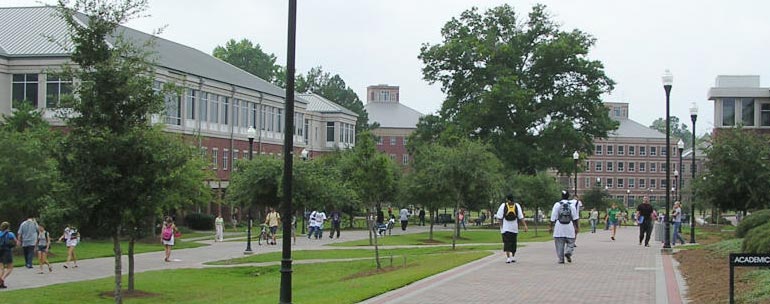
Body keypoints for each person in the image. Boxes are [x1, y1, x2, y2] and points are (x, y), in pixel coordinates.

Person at [495, 194, 528, 263]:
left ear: (507, 199)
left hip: (506, 228)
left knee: (507, 243)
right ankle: (513, 257)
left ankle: (508, 258)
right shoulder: (517, 205)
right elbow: (521, 217)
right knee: (513, 243)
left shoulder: (503, 205)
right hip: (514, 228)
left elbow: (499, 217)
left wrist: (501, 226)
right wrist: (525, 226)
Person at [549, 190, 579, 264]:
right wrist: (577, 227)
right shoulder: (571, 205)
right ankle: (568, 252)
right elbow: (575, 218)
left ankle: (561, 259)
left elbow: (553, 217)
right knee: (571, 241)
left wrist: (551, 226)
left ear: (561, 196)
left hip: (559, 227)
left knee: (559, 243)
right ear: (568, 196)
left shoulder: (557, 204)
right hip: (569, 226)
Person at [0, 221, 19, 288]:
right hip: (7, 251)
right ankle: (3, 278)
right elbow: (16, 242)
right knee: (10, 267)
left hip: (0, 251)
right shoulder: (10, 234)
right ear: (8, 227)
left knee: (1, 268)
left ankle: (1, 283)